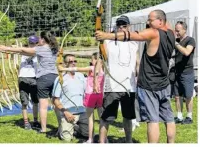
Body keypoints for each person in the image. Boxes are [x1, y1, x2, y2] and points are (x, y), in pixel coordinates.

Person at [95, 9, 176, 143]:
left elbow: (131, 36)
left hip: (149, 85)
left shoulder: (153, 33)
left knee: (152, 120)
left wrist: (105, 35)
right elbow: (101, 59)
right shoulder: (171, 33)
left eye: (150, 20)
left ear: (160, 21)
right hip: (163, 83)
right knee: (169, 118)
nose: (148, 23)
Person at [0, 31, 58, 135]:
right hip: (55, 77)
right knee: (57, 103)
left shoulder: (40, 49)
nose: (37, 41)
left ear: (43, 39)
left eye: (39, 39)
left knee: (43, 106)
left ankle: (43, 129)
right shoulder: (54, 49)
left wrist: (4, 48)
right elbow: (23, 52)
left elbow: (21, 49)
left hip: (43, 78)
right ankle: (62, 126)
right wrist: (5, 50)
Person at [96, 15, 139, 143]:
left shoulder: (133, 42)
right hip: (112, 85)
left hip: (129, 86)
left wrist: (140, 74)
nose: (121, 27)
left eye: (124, 25)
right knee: (106, 117)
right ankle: (102, 142)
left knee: (128, 117)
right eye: (119, 25)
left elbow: (138, 62)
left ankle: (129, 141)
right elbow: (100, 60)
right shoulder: (108, 41)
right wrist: (96, 80)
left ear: (129, 27)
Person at [59, 52, 104, 143]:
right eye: (70, 61)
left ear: (97, 60)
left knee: (99, 118)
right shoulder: (101, 70)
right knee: (99, 119)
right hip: (72, 109)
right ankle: (99, 139)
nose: (91, 62)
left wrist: (63, 68)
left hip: (93, 97)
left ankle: (97, 138)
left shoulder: (90, 70)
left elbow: (78, 68)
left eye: (92, 60)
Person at [52, 54, 88, 142]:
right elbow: (55, 100)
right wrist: (65, 112)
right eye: (70, 62)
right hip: (68, 113)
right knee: (66, 139)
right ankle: (63, 127)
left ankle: (76, 128)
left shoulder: (81, 76)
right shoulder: (60, 78)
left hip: (82, 112)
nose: (73, 63)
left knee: (88, 135)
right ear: (65, 64)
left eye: (75, 61)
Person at [174, 21, 196, 124]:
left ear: (184, 30)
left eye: (178, 30)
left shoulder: (190, 40)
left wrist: (176, 44)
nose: (176, 32)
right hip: (177, 72)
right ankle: (179, 116)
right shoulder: (177, 40)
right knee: (177, 96)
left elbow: (187, 52)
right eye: (175, 30)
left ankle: (189, 117)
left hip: (187, 72)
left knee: (188, 95)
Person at [18, 35, 40, 130]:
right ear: (28, 43)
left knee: (35, 101)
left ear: (37, 43)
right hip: (23, 78)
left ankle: (35, 121)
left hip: (34, 78)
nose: (32, 44)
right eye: (31, 43)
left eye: (34, 43)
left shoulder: (38, 52)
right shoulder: (24, 51)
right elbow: (12, 51)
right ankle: (26, 123)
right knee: (24, 102)